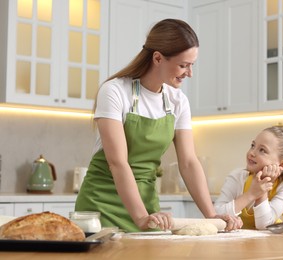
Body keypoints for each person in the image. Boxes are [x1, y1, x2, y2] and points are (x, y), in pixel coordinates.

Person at [75, 19, 242, 232]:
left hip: (146, 206)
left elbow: (189, 163)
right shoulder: (115, 91)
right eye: (183, 65)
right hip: (101, 207)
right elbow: (118, 163)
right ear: (157, 58)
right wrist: (141, 217)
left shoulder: (177, 101)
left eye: (192, 65)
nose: (189, 73)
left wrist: (211, 215)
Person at [214, 126, 283, 229]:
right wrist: (250, 194)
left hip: (268, 244)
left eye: (262, 150)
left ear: (281, 165)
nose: (252, 152)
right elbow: (216, 214)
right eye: (253, 145)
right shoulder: (237, 177)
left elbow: (264, 225)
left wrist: (262, 190)